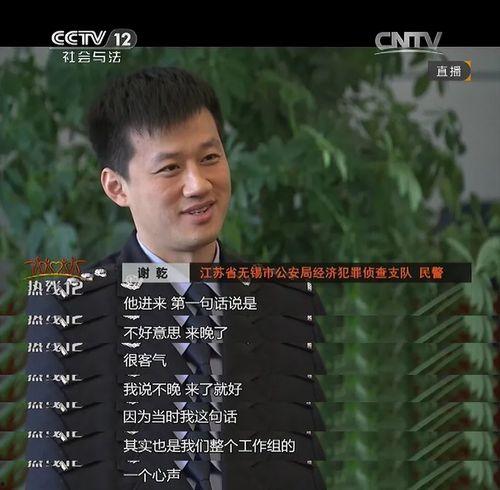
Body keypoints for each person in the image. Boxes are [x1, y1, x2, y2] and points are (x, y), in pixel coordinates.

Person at [25, 66, 326, 490]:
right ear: (117, 188)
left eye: (210, 158)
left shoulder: (286, 303)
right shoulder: (67, 316)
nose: (198, 185)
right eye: (169, 168)